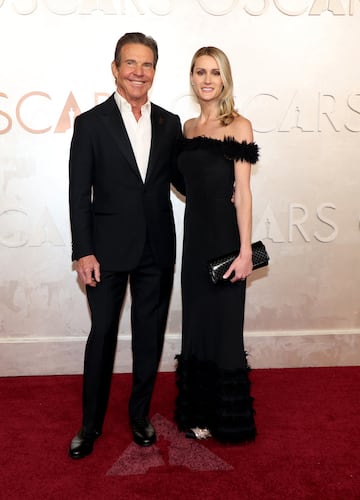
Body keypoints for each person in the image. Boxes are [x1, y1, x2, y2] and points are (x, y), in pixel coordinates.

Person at [68, 32, 184, 459]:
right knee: (102, 335)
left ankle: (140, 416)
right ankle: (90, 424)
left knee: (149, 336)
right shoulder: (90, 123)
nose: (139, 72)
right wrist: (83, 251)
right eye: (130, 63)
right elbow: (79, 195)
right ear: (115, 69)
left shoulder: (170, 123)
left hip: (157, 248)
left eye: (147, 64)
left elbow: (182, 181)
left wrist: (221, 181)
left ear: (155, 71)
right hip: (105, 252)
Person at [174, 47, 259, 443]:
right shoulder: (188, 129)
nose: (207, 79)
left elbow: (243, 192)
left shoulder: (238, 126)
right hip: (194, 244)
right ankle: (198, 413)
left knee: (224, 328)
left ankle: (227, 418)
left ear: (225, 79)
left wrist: (245, 252)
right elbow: (183, 184)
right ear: (192, 78)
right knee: (196, 325)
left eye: (215, 72)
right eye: (200, 72)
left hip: (226, 241)